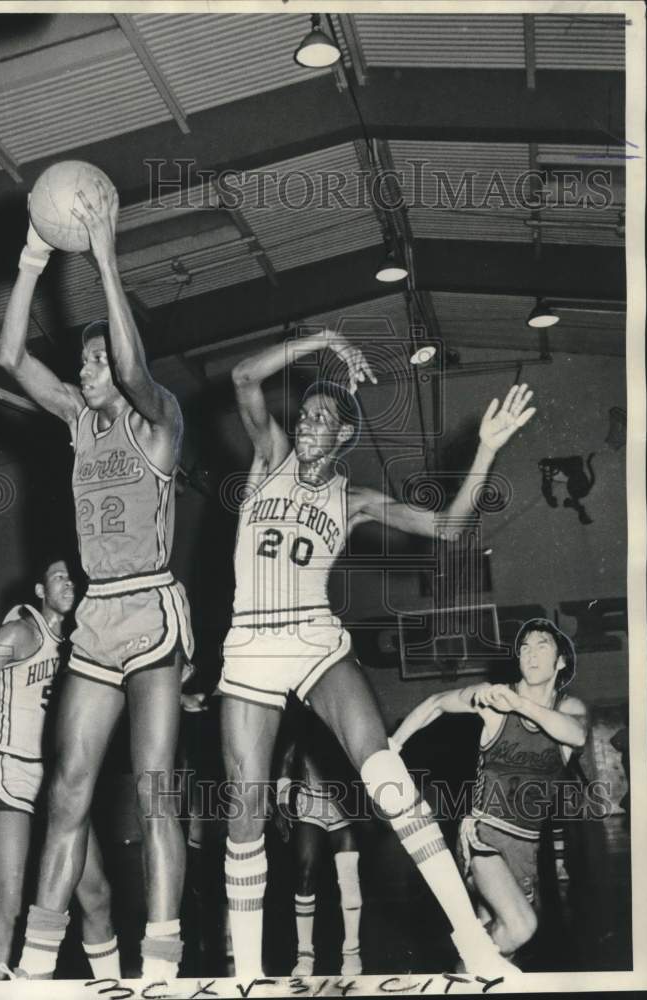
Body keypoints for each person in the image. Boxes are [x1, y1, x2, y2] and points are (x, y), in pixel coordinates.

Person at [220, 325, 535, 978]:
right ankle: (246, 976)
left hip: (312, 639)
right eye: (303, 412)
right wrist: (325, 339)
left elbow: (447, 529)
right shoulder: (270, 456)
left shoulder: (351, 497)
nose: (306, 421)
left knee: (387, 779)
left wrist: (486, 449)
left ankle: (475, 946)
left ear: (341, 437)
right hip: (249, 645)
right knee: (245, 808)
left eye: (321, 417)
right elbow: (244, 378)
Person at [0, 180, 193, 981]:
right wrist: (33, 258)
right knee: (68, 791)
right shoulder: (79, 425)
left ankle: (160, 965)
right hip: (97, 620)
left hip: (151, 611)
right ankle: (38, 970)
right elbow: (10, 356)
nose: (83, 366)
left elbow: (137, 365)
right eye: (80, 358)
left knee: (153, 794)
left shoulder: (159, 420)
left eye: (93, 355)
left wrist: (107, 257)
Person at [0, 558, 118, 980]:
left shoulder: (82, 644)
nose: (68, 583)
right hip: (10, 773)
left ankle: (111, 986)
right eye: (58, 576)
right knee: (10, 915)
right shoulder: (18, 633)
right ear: (40, 591)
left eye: (72, 577)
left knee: (96, 896)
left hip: (56, 780)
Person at [392, 619, 588, 962]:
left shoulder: (568, 708)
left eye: (542, 645)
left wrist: (519, 705)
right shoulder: (494, 699)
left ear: (560, 662)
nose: (531, 653)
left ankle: (462, 974)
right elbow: (437, 701)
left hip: (526, 847)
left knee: (498, 949)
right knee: (521, 927)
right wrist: (392, 746)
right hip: (483, 836)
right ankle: (459, 969)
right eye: (524, 647)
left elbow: (577, 735)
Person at [274, 704, 363, 977]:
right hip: (310, 804)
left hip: (342, 805)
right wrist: (281, 806)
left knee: (349, 878)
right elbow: (287, 762)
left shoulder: (346, 715)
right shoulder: (302, 723)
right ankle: (305, 954)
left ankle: (352, 951)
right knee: (305, 873)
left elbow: (363, 758)